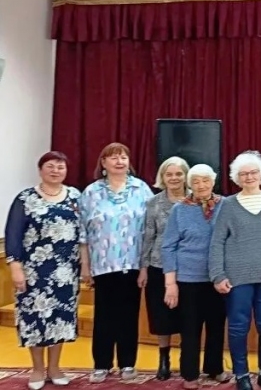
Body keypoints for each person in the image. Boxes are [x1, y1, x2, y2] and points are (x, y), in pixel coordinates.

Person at [4, 152, 81, 390]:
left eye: (60, 167)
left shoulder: (75, 197)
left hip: (66, 272)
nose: (55, 170)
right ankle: (37, 369)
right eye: (50, 166)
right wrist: (15, 267)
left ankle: (55, 367)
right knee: (34, 320)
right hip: (34, 271)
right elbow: (13, 234)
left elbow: (84, 233)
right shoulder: (25, 198)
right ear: (40, 170)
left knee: (60, 319)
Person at [79, 142, 154, 383]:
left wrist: (145, 267)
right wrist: (85, 265)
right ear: (103, 163)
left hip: (132, 264)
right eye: (113, 157)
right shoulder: (91, 192)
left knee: (129, 315)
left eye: (123, 157)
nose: (119, 161)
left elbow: (150, 230)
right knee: (104, 316)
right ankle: (101, 364)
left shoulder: (141, 189)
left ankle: (127, 364)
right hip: (102, 265)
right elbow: (83, 232)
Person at [209, 151, 261, 390]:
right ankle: (241, 374)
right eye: (243, 174)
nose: (249, 177)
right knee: (238, 327)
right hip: (236, 278)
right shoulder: (227, 205)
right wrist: (218, 275)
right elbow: (217, 241)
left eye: (253, 172)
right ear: (236, 178)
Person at [161, 164, 230, 389]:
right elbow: (168, 246)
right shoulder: (179, 209)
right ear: (190, 184)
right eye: (196, 181)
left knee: (216, 326)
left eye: (205, 180)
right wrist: (170, 283)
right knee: (190, 329)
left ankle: (214, 368)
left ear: (213, 181)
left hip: (217, 277)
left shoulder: (226, 205)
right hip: (188, 279)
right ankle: (190, 374)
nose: (201, 185)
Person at [140, 156, 189, 380]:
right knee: (161, 316)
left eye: (179, 173)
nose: (174, 178)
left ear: (186, 176)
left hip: (189, 267)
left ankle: (187, 360)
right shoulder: (153, 203)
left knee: (188, 316)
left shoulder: (195, 199)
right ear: (162, 177)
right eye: (169, 174)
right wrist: (143, 267)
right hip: (158, 265)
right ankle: (163, 359)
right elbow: (148, 236)